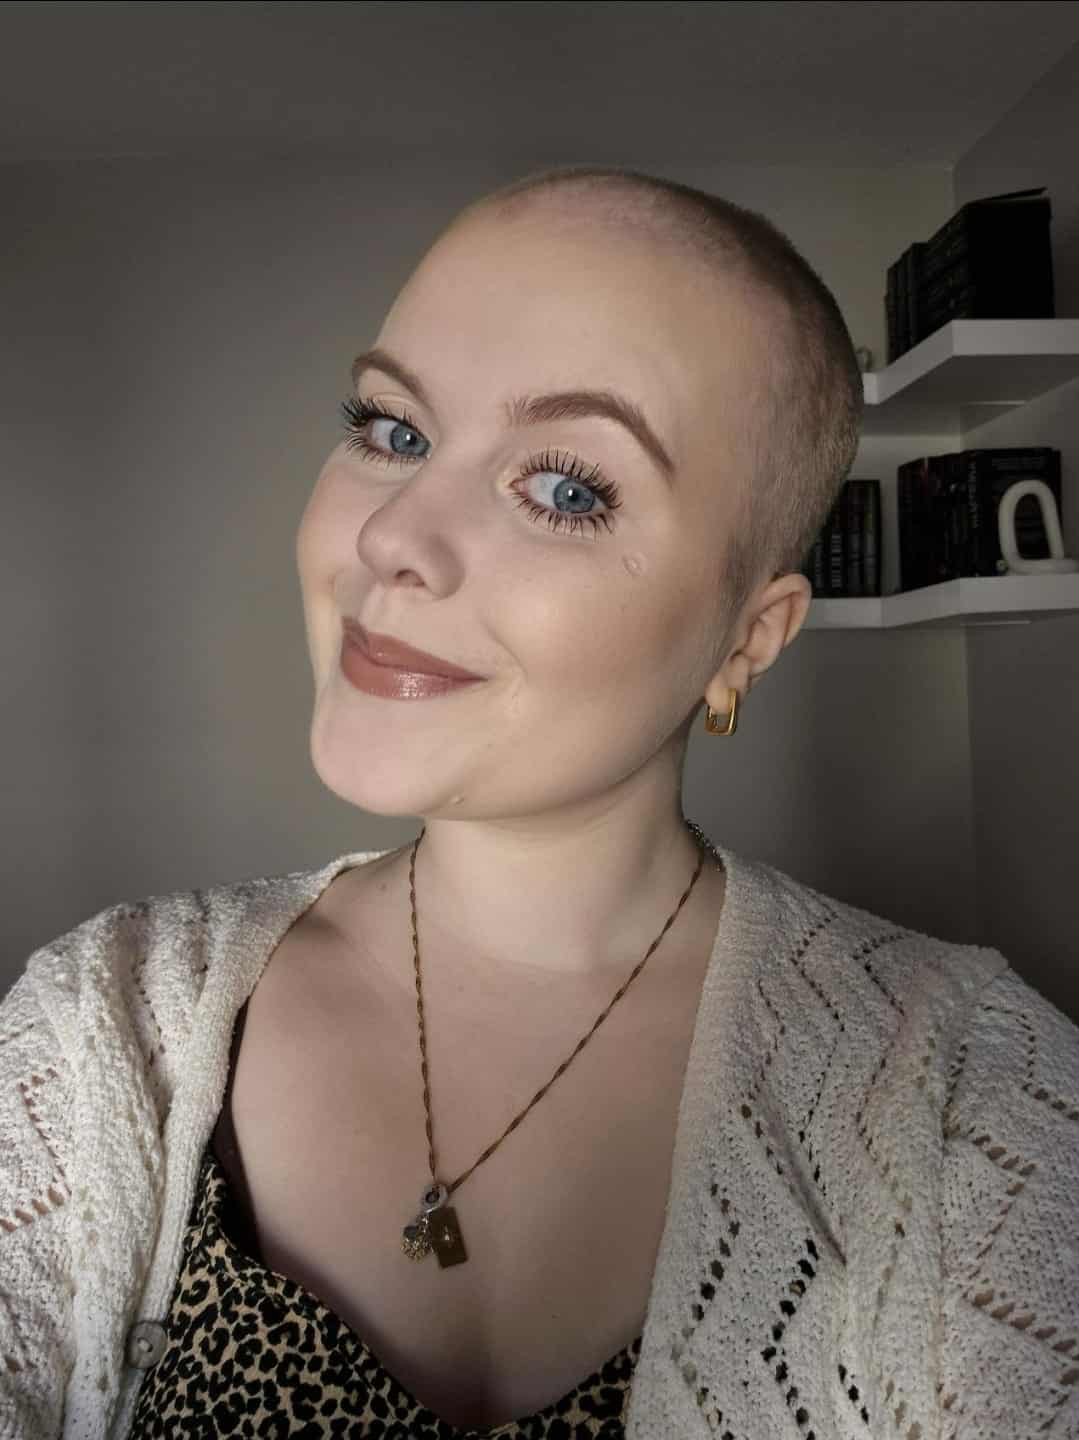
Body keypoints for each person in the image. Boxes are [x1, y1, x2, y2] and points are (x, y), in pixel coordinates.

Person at [2, 163, 1075, 1440]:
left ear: (748, 636)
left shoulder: (969, 1094)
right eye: (393, 431)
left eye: (567, 487)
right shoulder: (101, 1024)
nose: (393, 536)